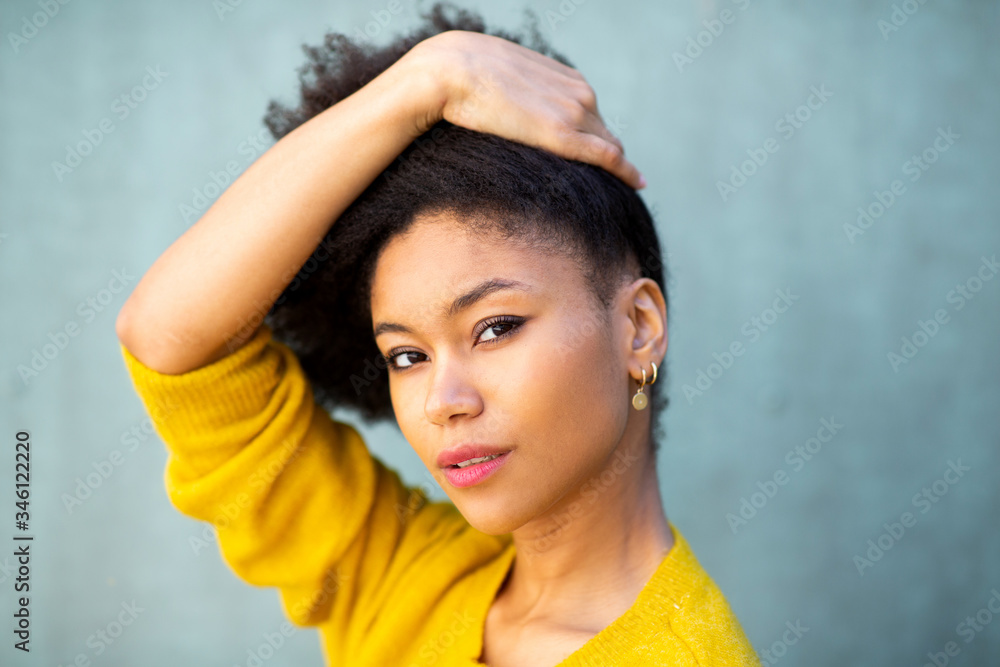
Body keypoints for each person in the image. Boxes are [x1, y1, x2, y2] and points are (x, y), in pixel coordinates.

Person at [115, 3, 760, 665]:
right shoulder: (404, 578)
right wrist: (426, 82)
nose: (442, 399)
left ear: (639, 328)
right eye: (406, 355)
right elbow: (169, 341)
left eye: (495, 327)